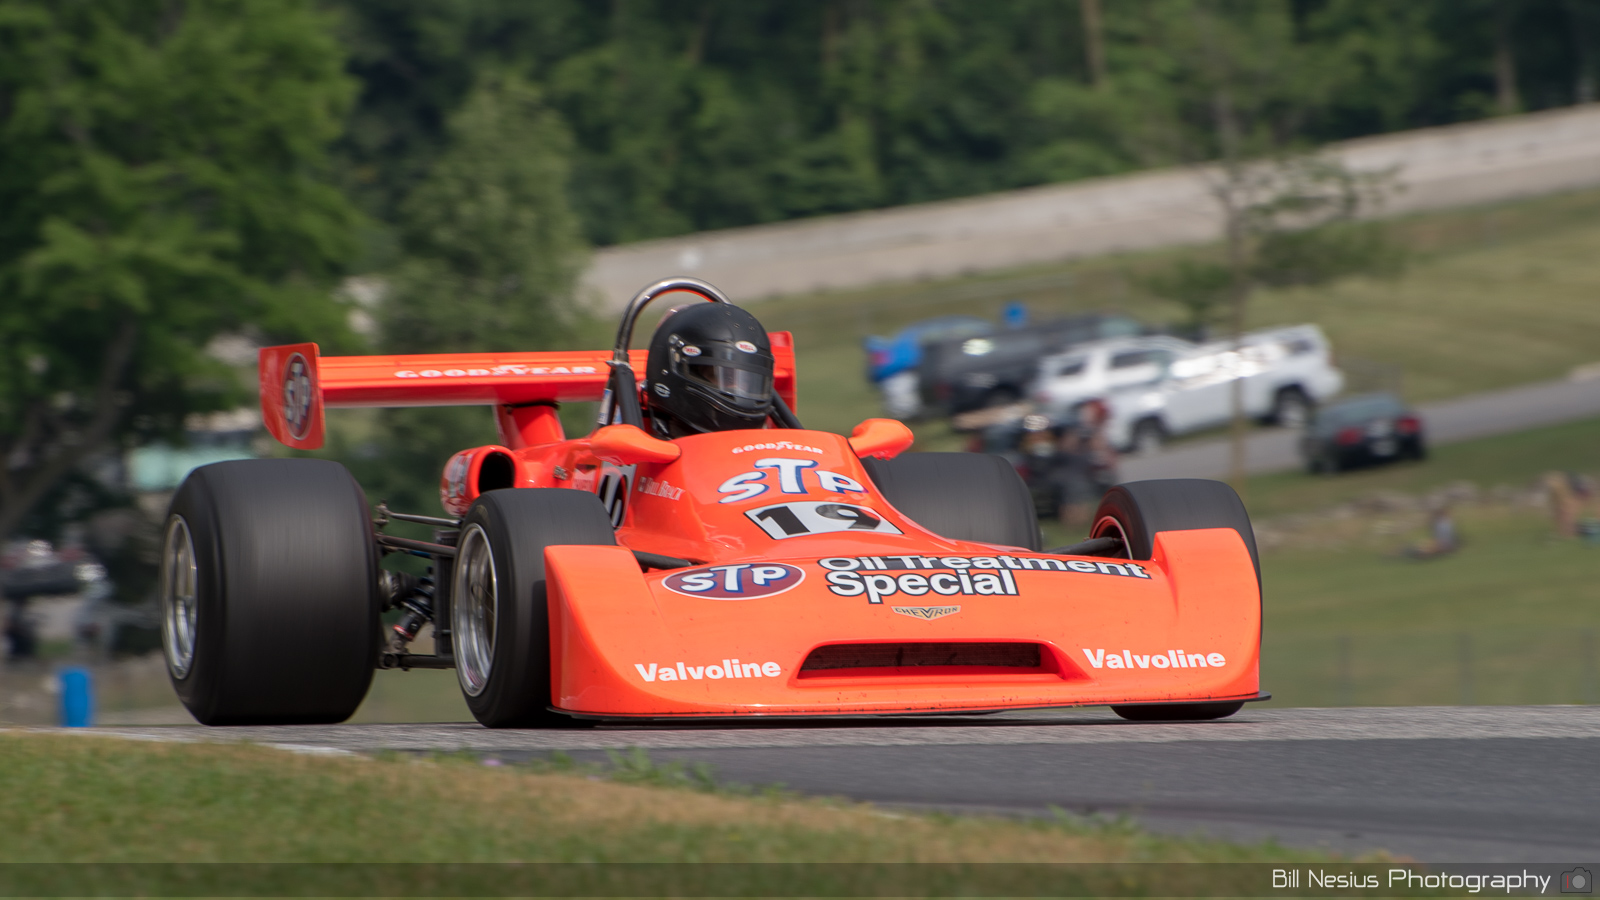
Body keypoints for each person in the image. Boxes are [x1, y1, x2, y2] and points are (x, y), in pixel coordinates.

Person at [642, 302, 777, 438]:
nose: (738, 388)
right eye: (726, 377)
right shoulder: (639, 453)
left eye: (748, 380)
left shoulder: (775, 448)